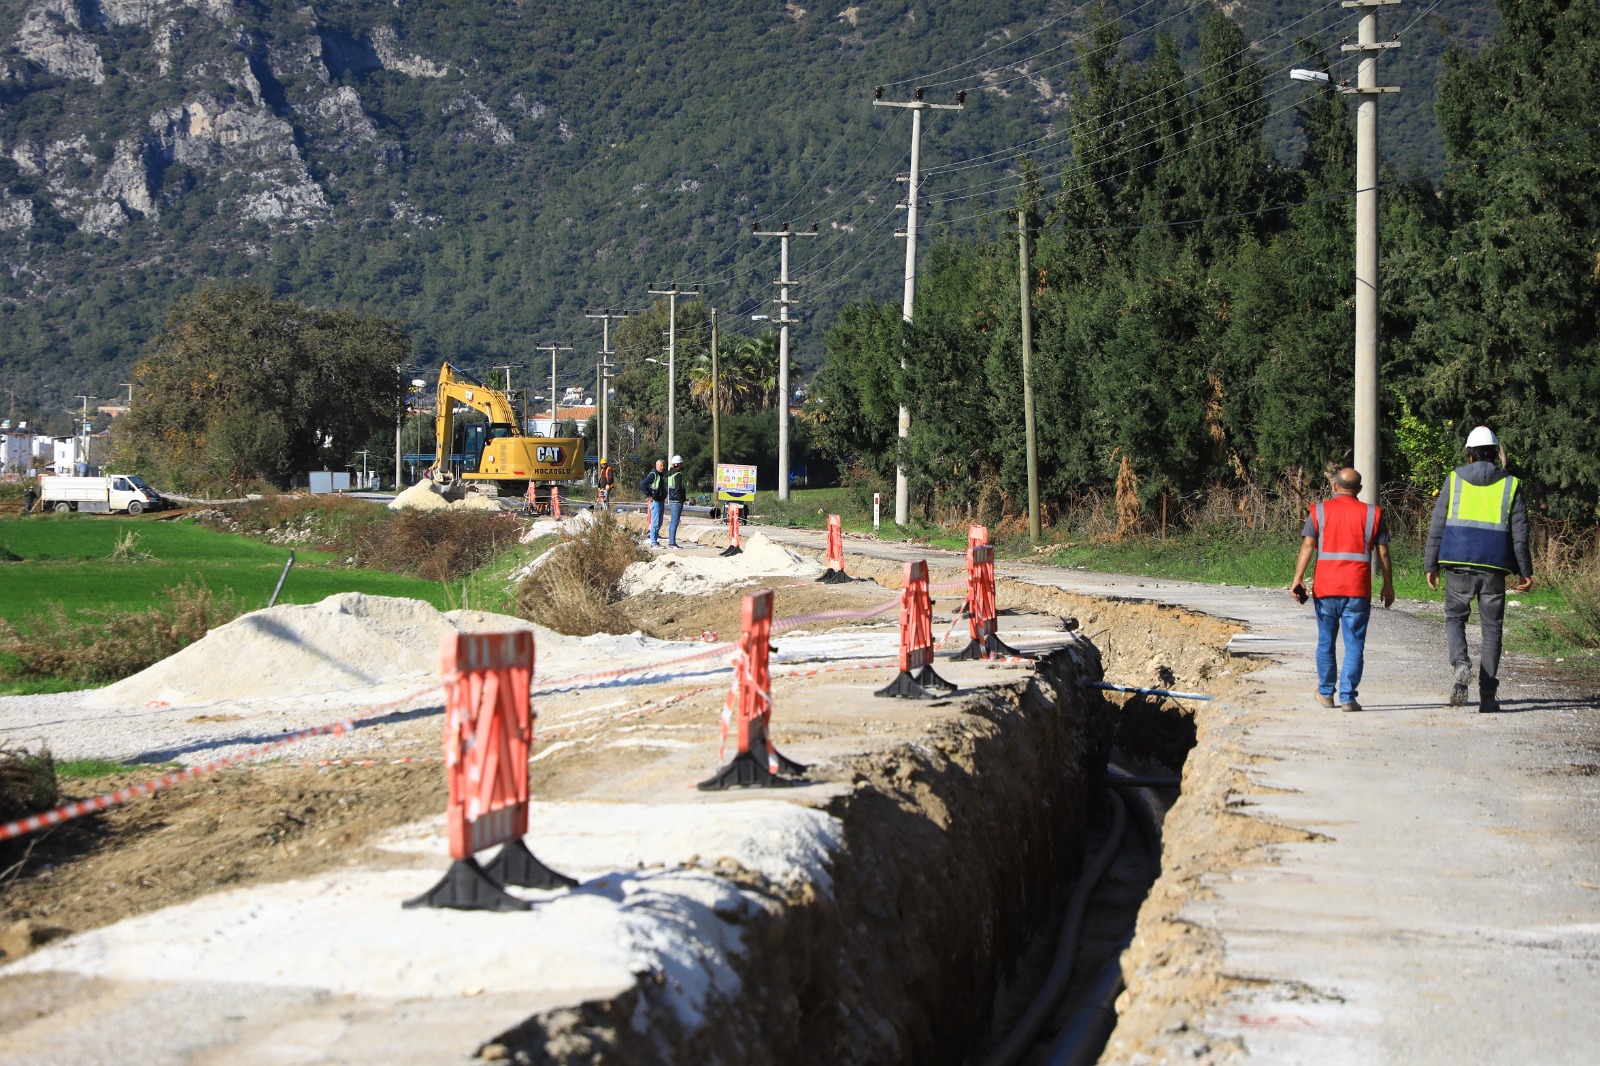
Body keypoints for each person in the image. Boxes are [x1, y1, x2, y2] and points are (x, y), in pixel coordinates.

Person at [1423, 425, 1533, 713]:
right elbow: (1520, 534)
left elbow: (1438, 525)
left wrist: (1431, 564)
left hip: (1458, 565)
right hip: (1494, 569)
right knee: (1492, 630)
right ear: (1496, 454)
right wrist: (1525, 570)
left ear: (1469, 455)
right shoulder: (1511, 484)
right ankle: (1487, 696)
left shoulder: (1454, 480)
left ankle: (1461, 663)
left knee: (1455, 619)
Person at [1290, 467, 1396, 713]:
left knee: (1326, 641)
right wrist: (1388, 585)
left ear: (1335, 486)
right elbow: (1383, 552)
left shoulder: (1319, 512)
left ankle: (1326, 694)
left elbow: (1308, 545)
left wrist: (1297, 579)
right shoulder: (1373, 514)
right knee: (1355, 644)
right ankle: (1348, 697)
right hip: (1358, 590)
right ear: (1359, 489)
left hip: (1326, 589)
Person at [640, 458, 667, 548]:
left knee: (659, 522)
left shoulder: (660, 475)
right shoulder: (653, 475)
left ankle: (654, 539)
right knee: (655, 522)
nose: (662, 467)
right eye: (661, 466)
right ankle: (654, 542)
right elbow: (643, 484)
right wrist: (649, 496)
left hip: (660, 501)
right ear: (657, 466)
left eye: (663, 466)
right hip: (655, 502)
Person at [666, 454, 687, 549]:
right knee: (675, 522)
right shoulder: (678, 475)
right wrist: (682, 499)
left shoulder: (670, 474)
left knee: (673, 522)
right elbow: (678, 489)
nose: (682, 466)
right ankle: (672, 543)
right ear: (678, 465)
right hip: (677, 501)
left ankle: (671, 541)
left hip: (671, 500)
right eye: (681, 464)